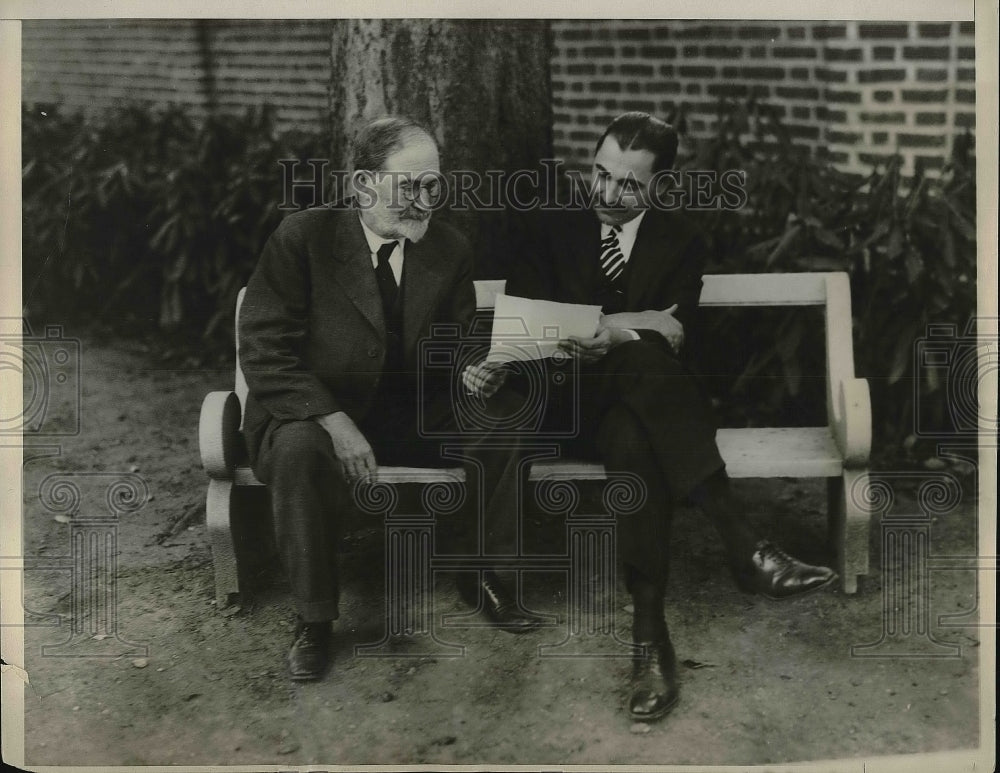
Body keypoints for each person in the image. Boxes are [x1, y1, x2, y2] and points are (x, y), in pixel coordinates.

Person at [507, 111, 836, 722]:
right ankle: (743, 544)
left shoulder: (680, 241)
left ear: (658, 186)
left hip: (637, 411)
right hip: (557, 403)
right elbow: (526, 330)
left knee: (637, 435)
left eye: (628, 185)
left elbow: (685, 345)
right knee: (642, 364)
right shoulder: (547, 229)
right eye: (600, 175)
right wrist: (636, 325)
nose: (607, 194)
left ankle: (649, 638)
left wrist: (612, 332)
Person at [240, 116, 542, 682]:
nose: (425, 200)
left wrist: (475, 368)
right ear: (362, 186)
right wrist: (333, 418)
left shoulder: (448, 248)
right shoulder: (304, 239)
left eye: (433, 185)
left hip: (413, 410)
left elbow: (458, 337)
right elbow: (263, 349)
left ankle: (482, 574)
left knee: (501, 421)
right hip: (316, 408)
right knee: (299, 451)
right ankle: (314, 618)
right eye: (409, 186)